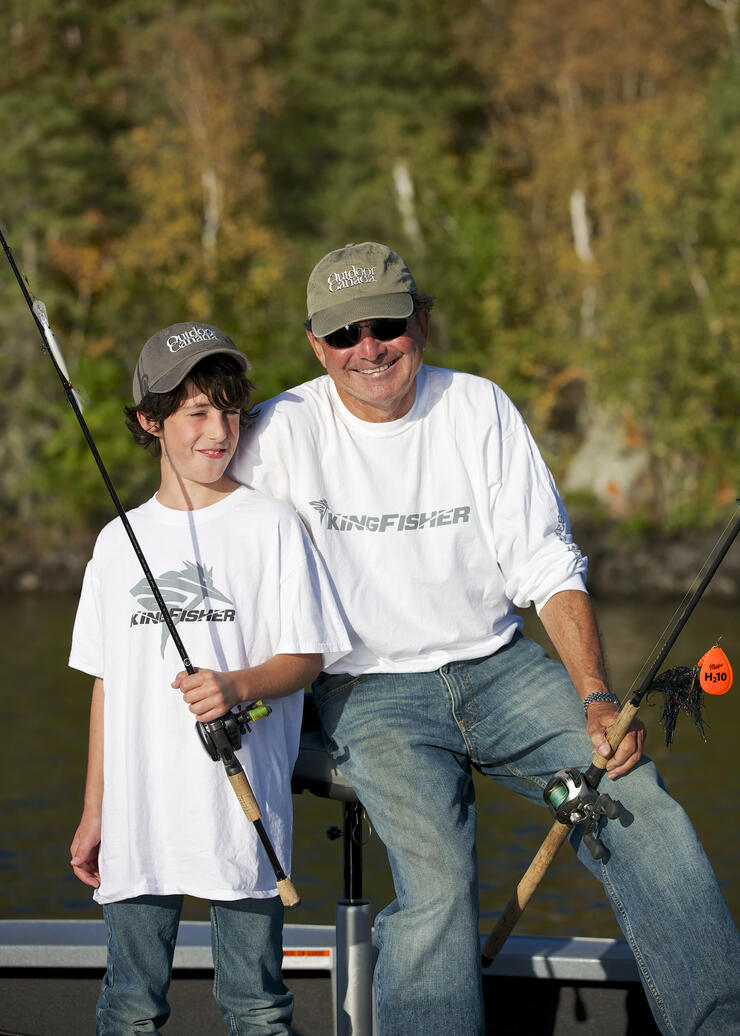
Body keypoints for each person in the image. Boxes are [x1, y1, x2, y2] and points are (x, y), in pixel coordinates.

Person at [229, 242, 740, 1036]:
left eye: (386, 323)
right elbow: (210, 540)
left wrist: (598, 701)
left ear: (420, 321)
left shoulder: (478, 408)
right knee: (437, 878)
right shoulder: (280, 433)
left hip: (501, 667)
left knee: (639, 799)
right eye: (342, 335)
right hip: (366, 691)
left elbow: (545, 560)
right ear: (315, 346)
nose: (368, 348)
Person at [68, 322, 350, 1034]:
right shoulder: (115, 542)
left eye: (229, 410)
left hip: (241, 816)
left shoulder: (272, 526)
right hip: (138, 823)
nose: (218, 430)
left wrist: (237, 687)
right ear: (150, 420)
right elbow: (108, 684)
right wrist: (95, 809)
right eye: (196, 411)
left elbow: (307, 657)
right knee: (129, 1007)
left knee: (256, 1008)